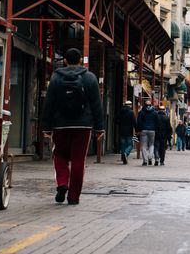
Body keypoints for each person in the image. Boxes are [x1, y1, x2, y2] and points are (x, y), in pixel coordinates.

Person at [41, 48, 104, 205]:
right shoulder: (90, 78)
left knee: (59, 155)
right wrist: (99, 128)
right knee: (78, 160)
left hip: (60, 125)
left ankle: (62, 183)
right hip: (83, 126)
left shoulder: (55, 77)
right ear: (81, 60)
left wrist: (47, 127)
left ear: (65, 61)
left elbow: (48, 104)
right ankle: (74, 197)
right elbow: (97, 105)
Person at [136, 100, 158, 166]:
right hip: (152, 130)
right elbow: (157, 122)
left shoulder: (141, 112)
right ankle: (150, 158)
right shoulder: (155, 113)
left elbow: (139, 122)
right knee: (151, 145)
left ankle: (145, 161)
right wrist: (156, 129)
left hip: (143, 130)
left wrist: (138, 130)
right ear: (151, 105)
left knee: (143, 146)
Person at [114, 100, 136, 165]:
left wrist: (120, 123)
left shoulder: (120, 112)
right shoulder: (131, 112)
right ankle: (126, 153)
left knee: (123, 145)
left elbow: (115, 120)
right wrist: (137, 130)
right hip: (129, 131)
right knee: (130, 145)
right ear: (130, 105)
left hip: (121, 131)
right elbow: (134, 122)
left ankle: (124, 158)